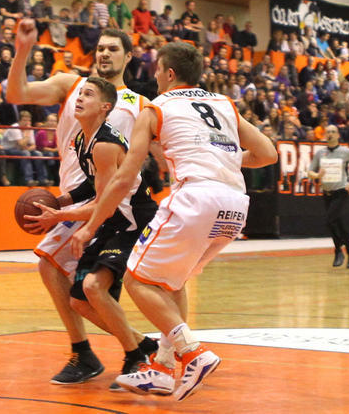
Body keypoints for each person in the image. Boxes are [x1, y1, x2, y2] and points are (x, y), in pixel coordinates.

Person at [71, 42, 277, 400]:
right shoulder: (224, 103)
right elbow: (267, 153)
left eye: (157, 72)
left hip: (196, 198)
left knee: (137, 280)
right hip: (235, 206)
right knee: (172, 282)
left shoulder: (157, 107)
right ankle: (164, 370)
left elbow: (123, 178)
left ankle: (193, 352)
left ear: (169, 73)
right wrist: (220, 156)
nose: (154, 78)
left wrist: (90, 226)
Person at [6, 19, 159, 387]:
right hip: (77, 195)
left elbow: (157, 153)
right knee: (84, 292)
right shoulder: (72, 86)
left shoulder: (141, 105)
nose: (104, 53)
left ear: (128, 56)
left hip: (110, 202)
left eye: (113, 49)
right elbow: (17, 93)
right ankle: (136, 347)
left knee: (58, 269)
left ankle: (105, 351)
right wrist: (23, 50)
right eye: (100, 48)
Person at [308, 125, 349, 269]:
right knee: (337, 222)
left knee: (329, 220)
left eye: (333, 132)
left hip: (341, 191)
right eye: (328, 132)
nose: (330, 134)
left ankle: (338, 250)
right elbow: (310, 171)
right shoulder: (320, 153)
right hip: (327, 193)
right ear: (325, 135)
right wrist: (317, 175)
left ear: (338, 135)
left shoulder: (345, 151)